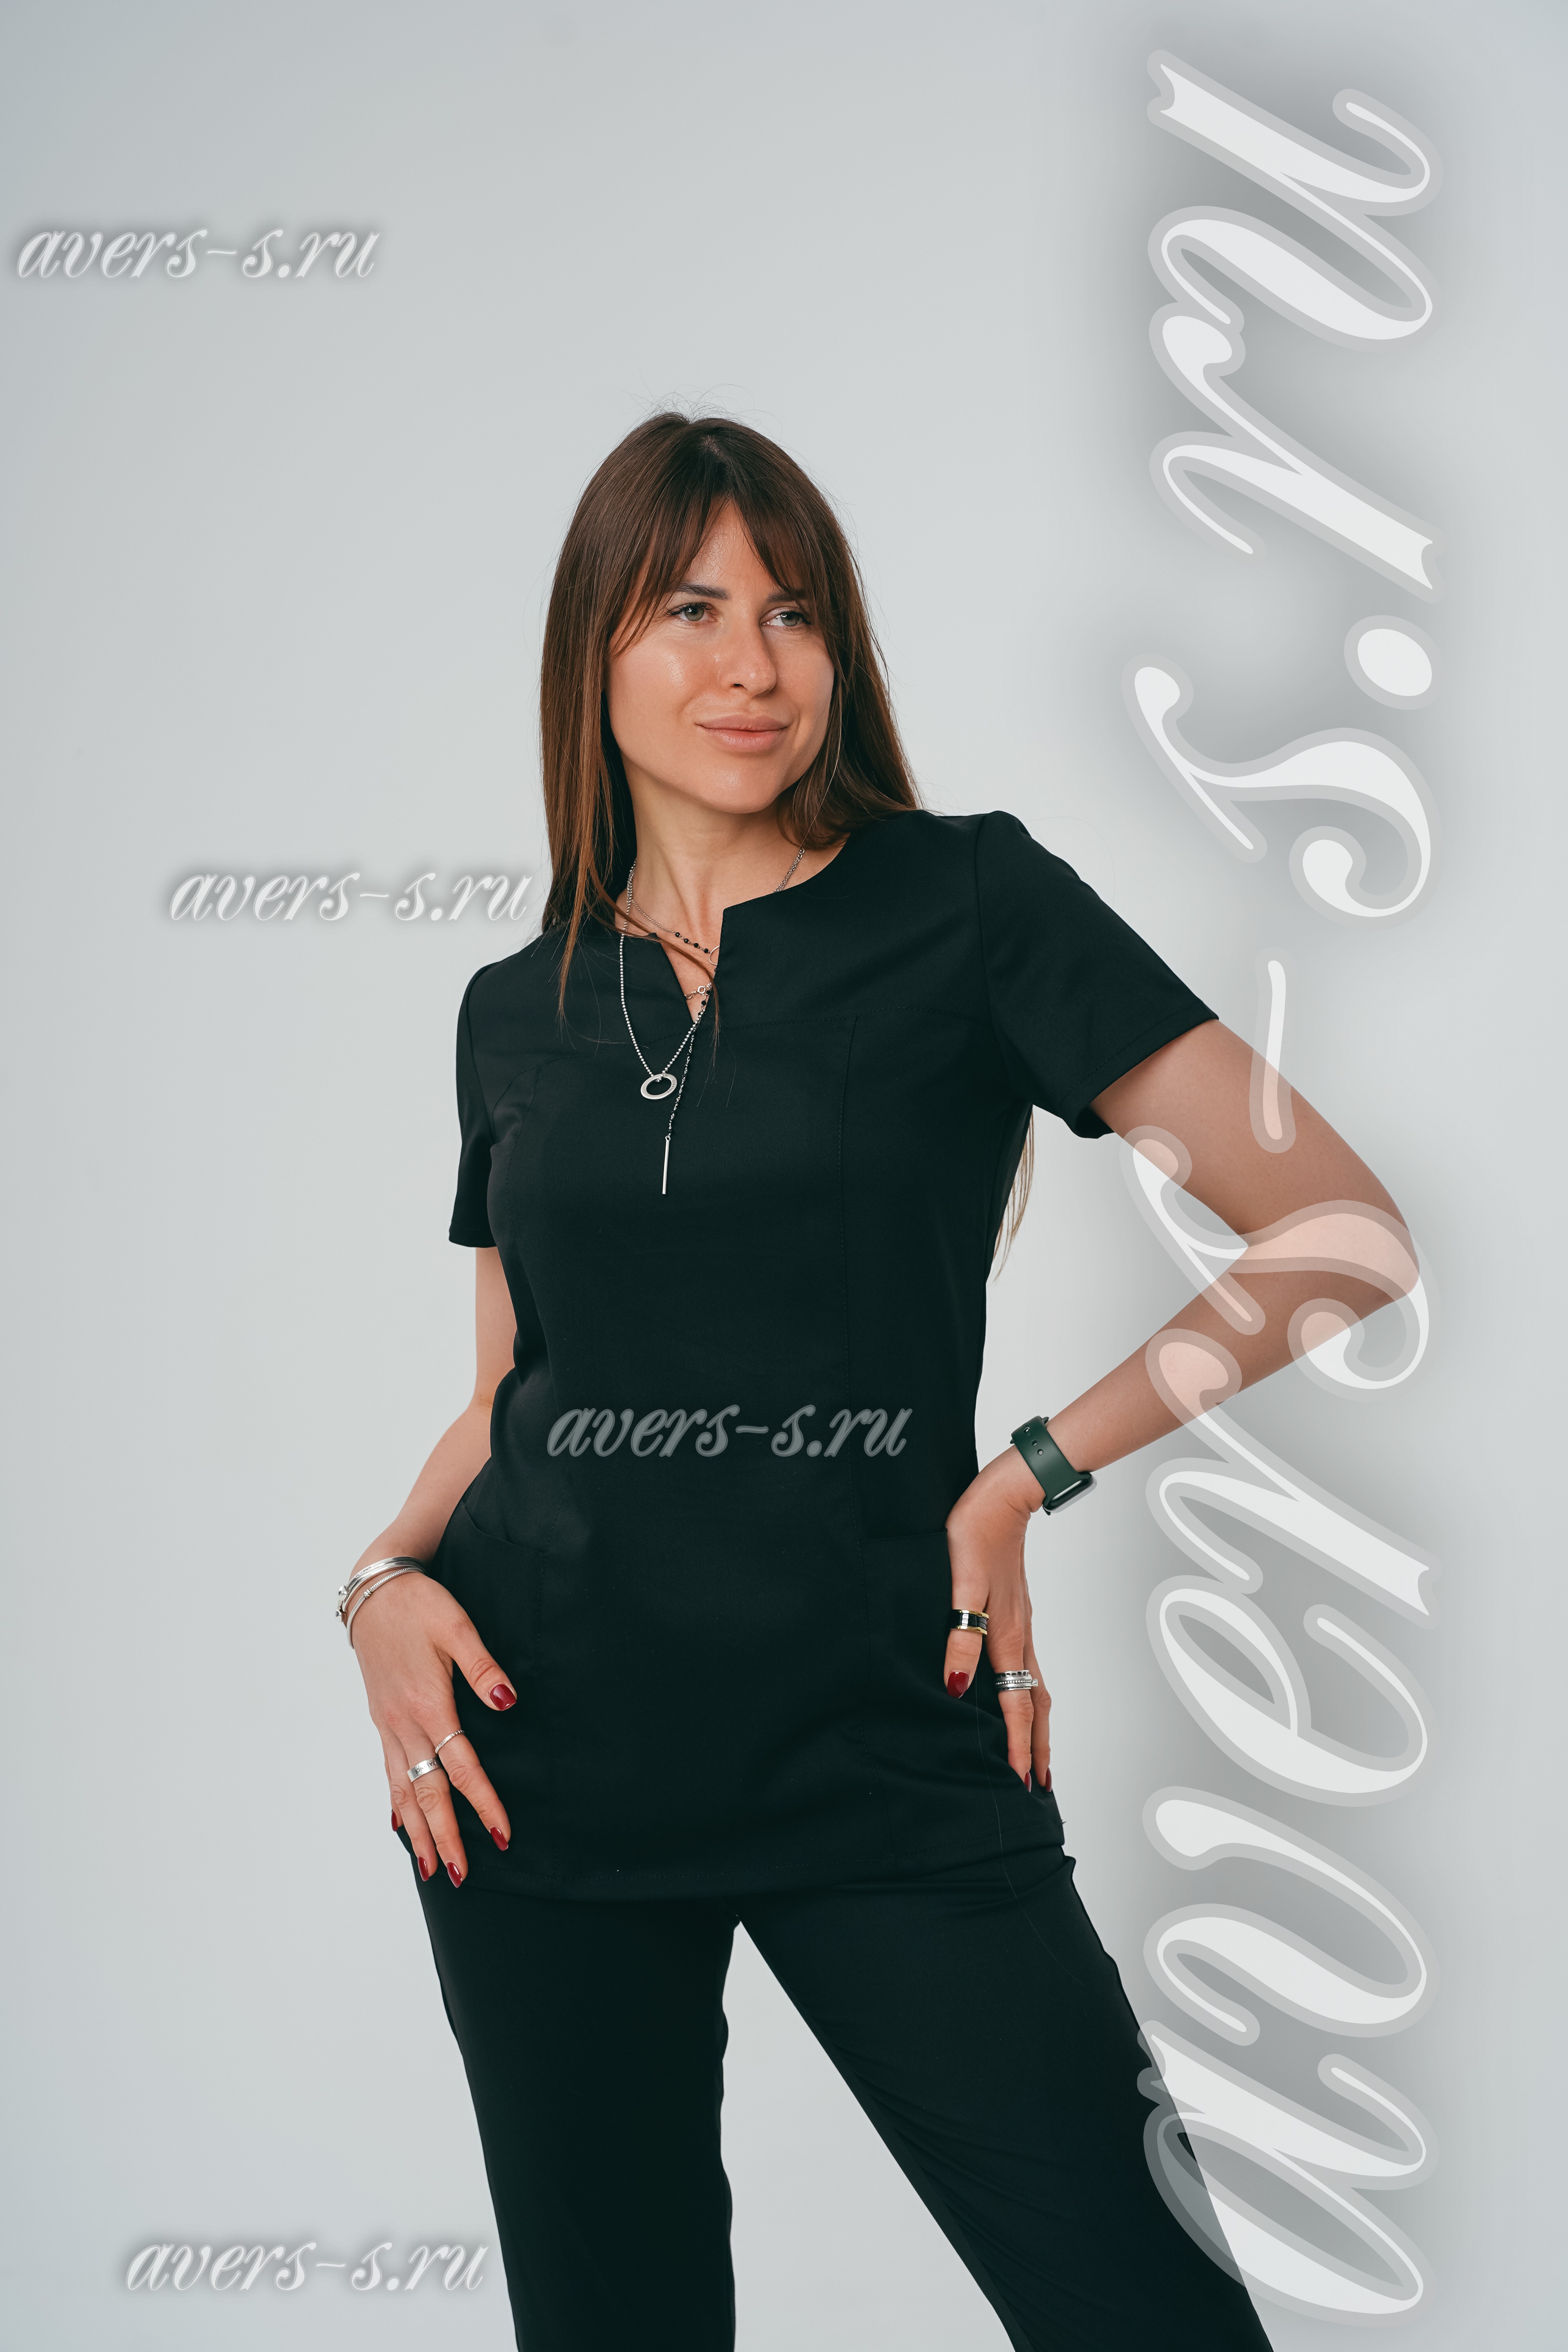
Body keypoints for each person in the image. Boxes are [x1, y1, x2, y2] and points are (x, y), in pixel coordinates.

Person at [341, 413, 1412, 2350]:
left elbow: (1333, 1234)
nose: (753, 665)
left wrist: (1024, 1477)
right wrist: (376, 1587)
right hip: (546, 1777)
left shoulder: (970, 907)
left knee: (1150, 2315)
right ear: (593, 649)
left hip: (891, 1753)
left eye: (796, 613)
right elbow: (509, 1393)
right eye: (690, 611)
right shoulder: (515, 1006)